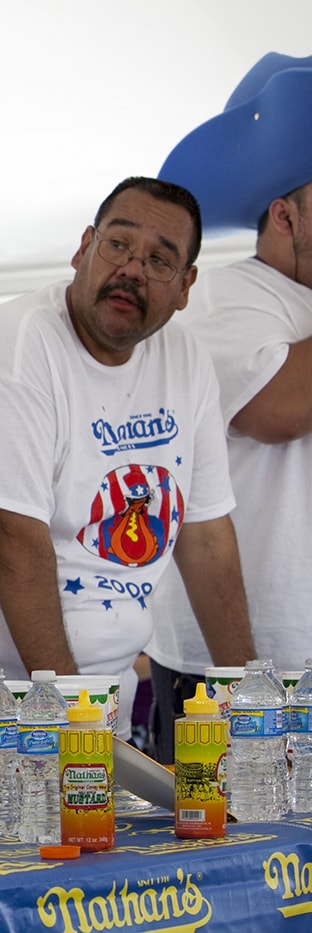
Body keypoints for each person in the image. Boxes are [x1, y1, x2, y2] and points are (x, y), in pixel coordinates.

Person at [0, 177, 256, 745]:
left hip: (90, 705)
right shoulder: (19, 347)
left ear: (185, 286)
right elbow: (10, 534)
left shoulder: (185, 359)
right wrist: (75, 724)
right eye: (117, 246)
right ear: (83, 249)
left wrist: (251, 704)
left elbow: (207, 537)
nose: (131, 269)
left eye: (159, 259)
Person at [147, 54, 312, 761]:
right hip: (237, 662)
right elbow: (278, 407)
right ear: (284, 215)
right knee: (232, 861)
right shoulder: (227, 296)